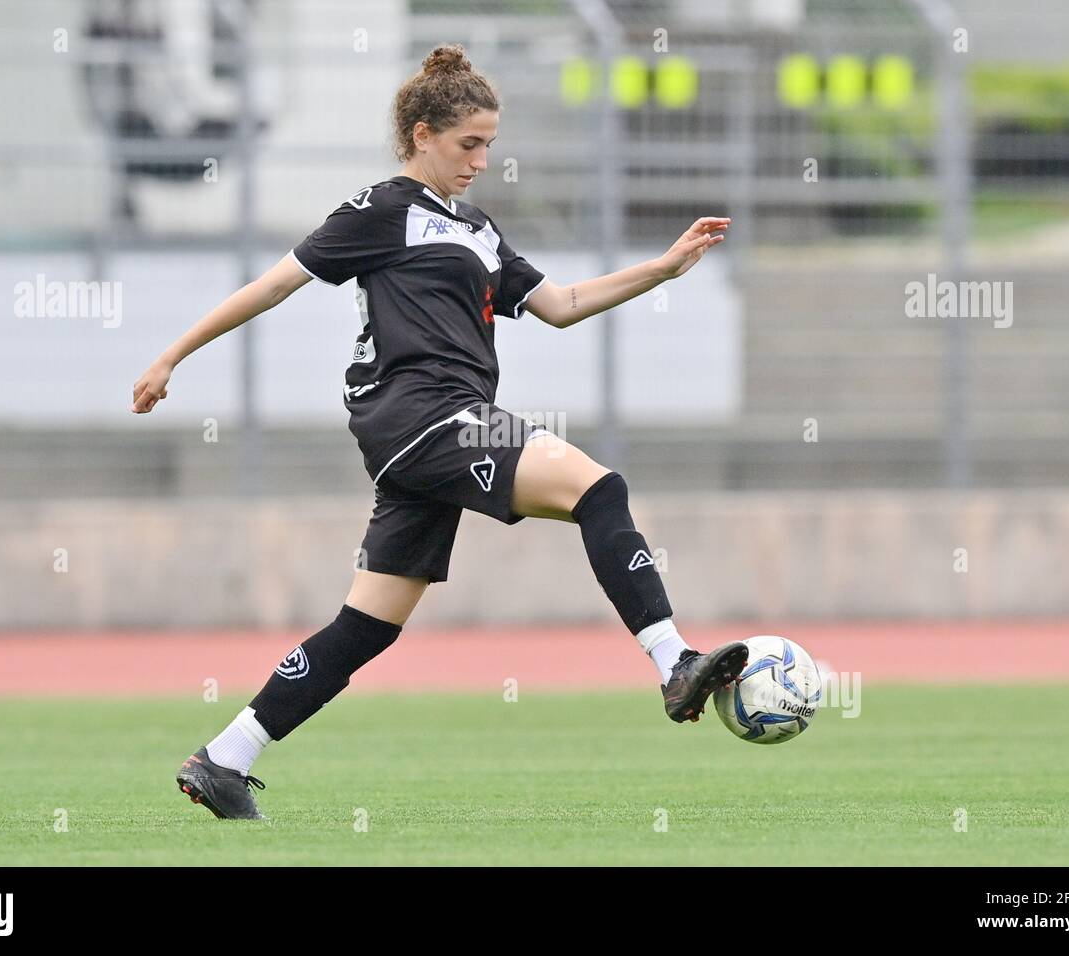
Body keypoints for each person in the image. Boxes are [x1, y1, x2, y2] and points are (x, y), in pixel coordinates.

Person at [131, 44, 743, 821]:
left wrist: (660, 269)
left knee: (366, 629)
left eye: (490, 144)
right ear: (422, 135)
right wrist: (171, 355)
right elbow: (274, 283)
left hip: (426, 439)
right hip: (424, 416)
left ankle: (224, 757)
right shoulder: (382, 210)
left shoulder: (478, 229)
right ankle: (673, 662)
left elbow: (560, 303)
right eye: (469, 144)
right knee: (598, 487)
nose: (483, 159)